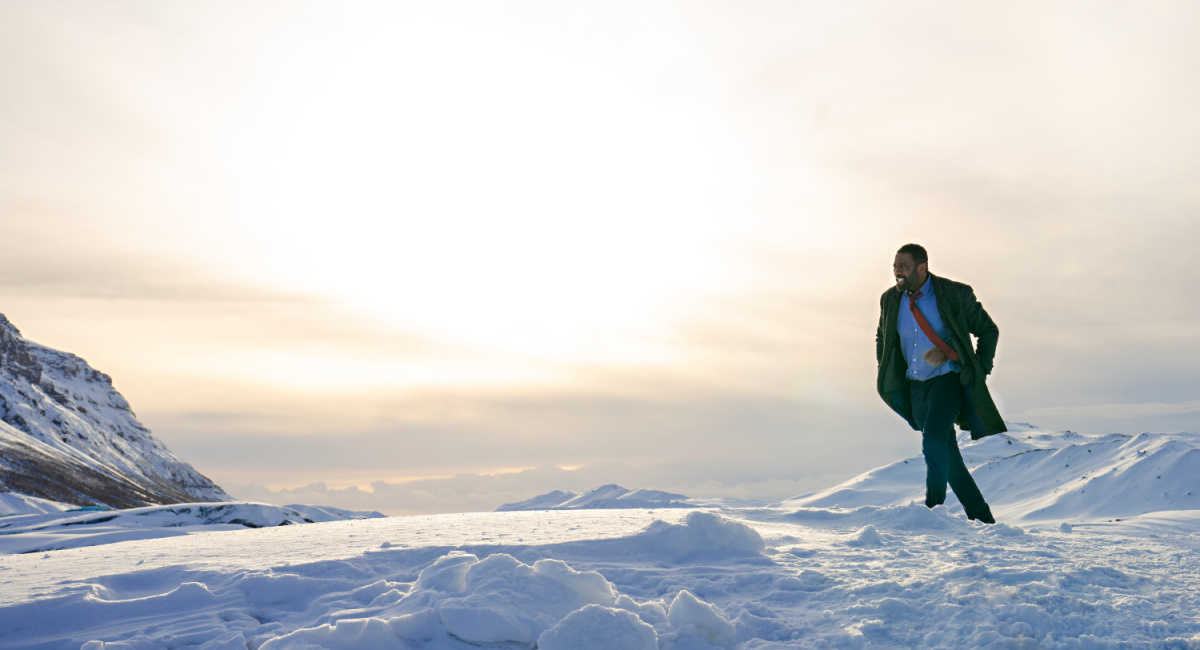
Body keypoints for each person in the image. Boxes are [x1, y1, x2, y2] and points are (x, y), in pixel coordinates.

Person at [876, 243, 1004, 524]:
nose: (897, 270)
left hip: (948, 380)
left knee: (933, 440)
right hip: (915, 387)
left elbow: (988, 330)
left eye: (903, 266)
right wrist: (884, 369)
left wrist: (978, 369)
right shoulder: (890, 300)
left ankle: (933, 512)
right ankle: (983, 519)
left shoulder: (954, 294)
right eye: (895, 265)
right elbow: (882, 338)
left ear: (922, 268)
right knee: (949, 460)